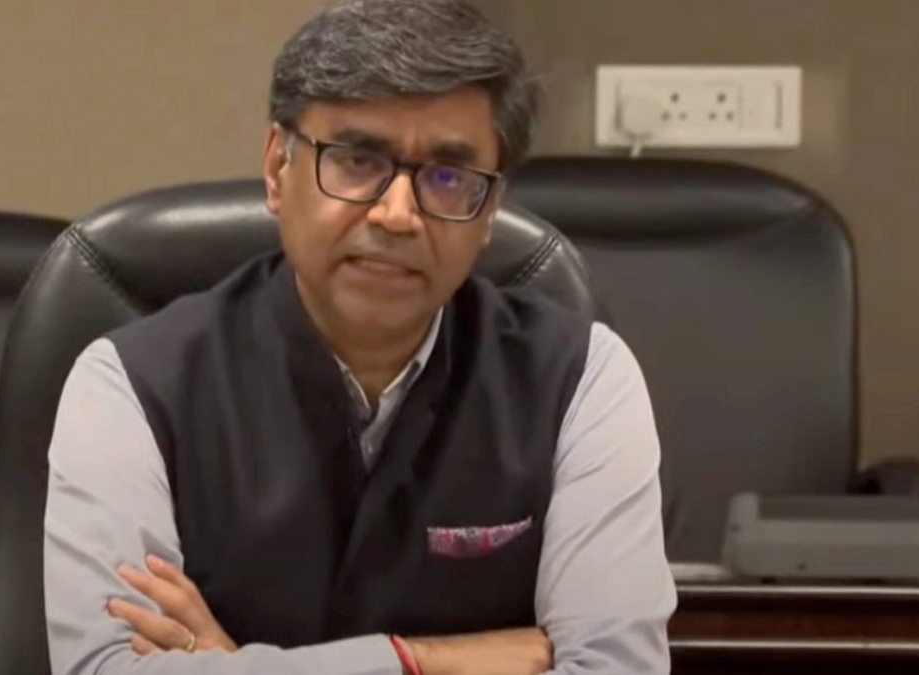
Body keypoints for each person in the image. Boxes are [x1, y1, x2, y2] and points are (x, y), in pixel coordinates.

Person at [43, 0, 676, 673]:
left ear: (489, 209)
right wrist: (418, 660)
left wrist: (233, 664)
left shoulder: (582, 378)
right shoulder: (131, 385)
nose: (397, 214)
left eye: (448, 177)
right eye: (356, 160)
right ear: (277, 169)